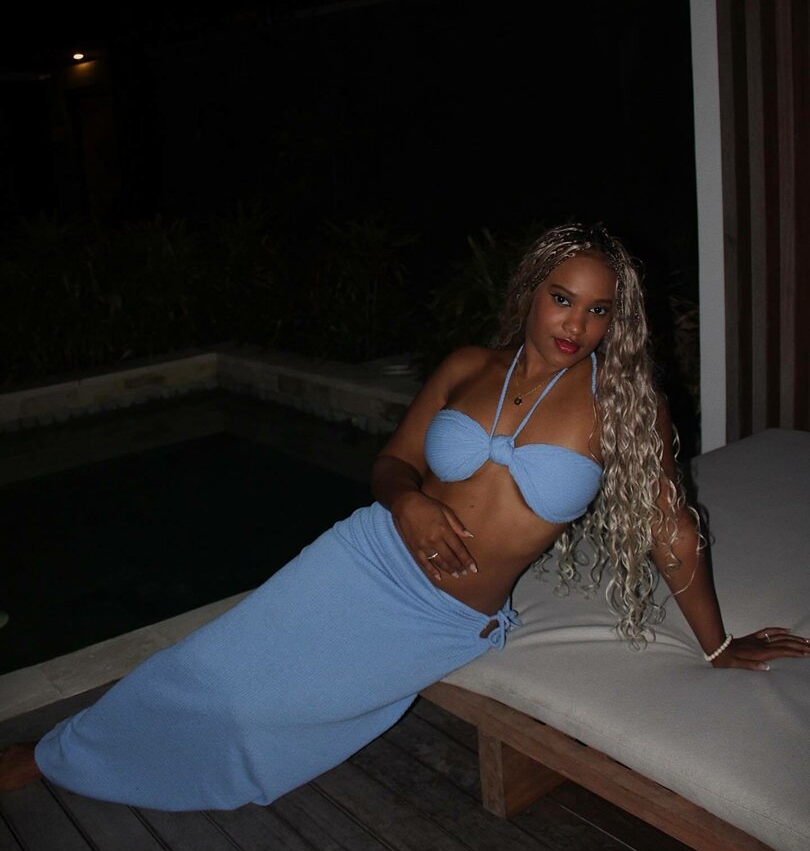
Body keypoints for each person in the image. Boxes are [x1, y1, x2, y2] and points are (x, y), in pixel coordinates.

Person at [1, 221, 807, 809]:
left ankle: (111, 762)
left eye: (599, 311)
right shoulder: (468, 366)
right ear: (532, 292)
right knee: (212, 661)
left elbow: (670, 529)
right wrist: (409, 502)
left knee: (269, 715)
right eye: (563, 299)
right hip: (367, 555)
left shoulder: (625, 406)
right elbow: (391, 463)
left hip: (444, 616)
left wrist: (717, 644)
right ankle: (50, 755)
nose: (577, 326)